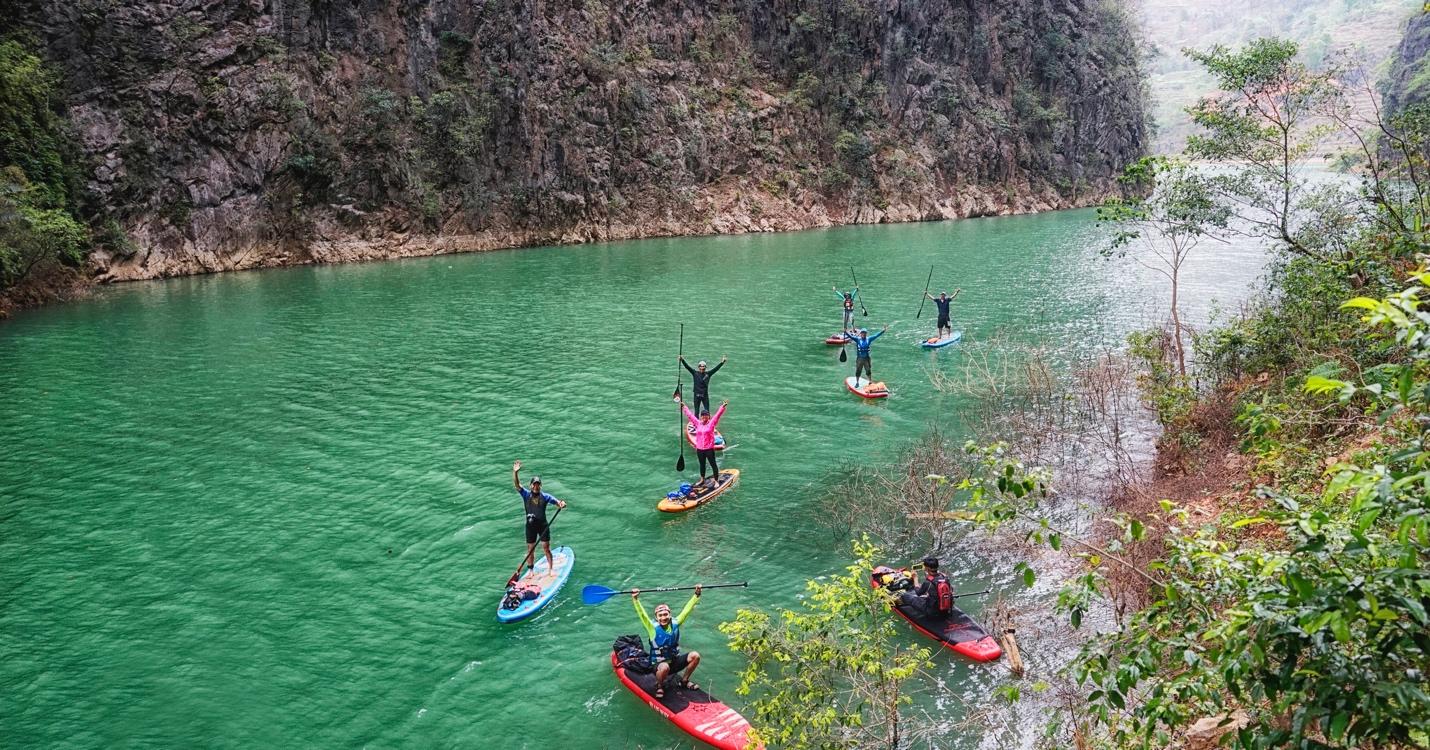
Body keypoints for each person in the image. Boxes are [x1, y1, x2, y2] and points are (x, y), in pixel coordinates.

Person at [632, 584, 703, 698]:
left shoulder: (676, 623)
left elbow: (687, 610)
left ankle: (684, 681)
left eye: (665, 614)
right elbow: (642, 615)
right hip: (658, 665)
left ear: (670, 615)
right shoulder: (652, 628)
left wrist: (697, 594)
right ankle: (659, 685)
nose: (663, 617)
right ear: (656, 617)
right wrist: (635, 599)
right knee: (664, 667)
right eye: (660, 615)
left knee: (695, 656)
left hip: (674, 662)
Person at [512, 460, 566, 574]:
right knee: (530, 550)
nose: (536, 486)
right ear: (531, 485)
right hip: (530, 527)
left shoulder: (545, 496)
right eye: (534, 484)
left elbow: (557, 502)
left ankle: (550, 569)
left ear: (540, 486)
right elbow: (517, 485)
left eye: (538, 485)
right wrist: (515, 472)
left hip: (543, 526)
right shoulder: (526, 494)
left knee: (546, 548)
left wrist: (561, 504)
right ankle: (531, 571)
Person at [677, 396, 727, 487]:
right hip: (699, 449)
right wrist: (684, 407)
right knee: (702, 465)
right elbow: (690, 416)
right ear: (701, 416)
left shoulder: (711, 423)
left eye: (706, 415)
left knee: (713, 464)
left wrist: (722, 407)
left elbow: (717, 416)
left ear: (708, 417)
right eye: (703, 415)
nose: (704, 417)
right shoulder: (697, 423)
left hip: (709, 449)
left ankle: (716, 480)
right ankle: (702, 479)